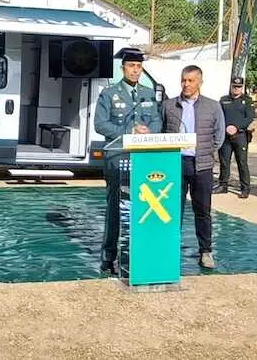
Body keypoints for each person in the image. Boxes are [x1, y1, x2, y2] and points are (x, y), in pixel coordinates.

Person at [94, 47, 162, 275]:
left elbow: (157, 121)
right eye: (131, 66)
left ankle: (138, 254)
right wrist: (129, 130)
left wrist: (148, 131)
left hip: (143, 157)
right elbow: (100, 124)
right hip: (118, 156)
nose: (135, 70)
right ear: (123, 68)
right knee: (116, 207)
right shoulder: (109, 93)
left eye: (139, 66)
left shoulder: (148, 93)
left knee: (142, 207)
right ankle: (108, 256)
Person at [162, 65, 225, 269]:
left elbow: (219, 135)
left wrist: (206, 153)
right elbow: (162, 132)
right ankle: (170, 249)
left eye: (191, 80)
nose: (186, 84)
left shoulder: (213, 106)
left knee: (202, 210)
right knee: (172, 210)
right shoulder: (169, 106)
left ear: (200, 82)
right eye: (184, 80)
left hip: (202, 166)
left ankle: (205, 251)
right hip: (176, 164)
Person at [214, 76, 255, 198]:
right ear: (231, 86)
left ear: (242, 87)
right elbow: (219, 116)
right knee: (224, 161)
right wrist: (226, 127)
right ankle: (223, 185)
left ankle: (245, 188)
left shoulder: (247, 100)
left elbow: (249, 117)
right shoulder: (224, 100)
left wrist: (236, 127)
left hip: (240, 135)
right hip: (226, 136)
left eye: (239, 87)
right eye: (234, 86)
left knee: (242, 162)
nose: (236, 89)